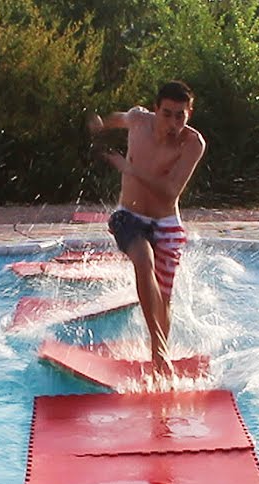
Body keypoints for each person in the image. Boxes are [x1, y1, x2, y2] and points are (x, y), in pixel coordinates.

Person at [88, 81, 206, 374]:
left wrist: (129, 169)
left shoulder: (193, 143)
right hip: (130, 216)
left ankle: (158, 361)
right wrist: (103, 123)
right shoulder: (139, 121)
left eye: (181, 115)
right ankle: (160, 354)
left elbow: (170, 191)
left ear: (189, 113)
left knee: (164, 299)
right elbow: (121, 118)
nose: (174, 123)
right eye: (167, 114)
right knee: (143, 260)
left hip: (167, 223)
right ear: (156, 110)